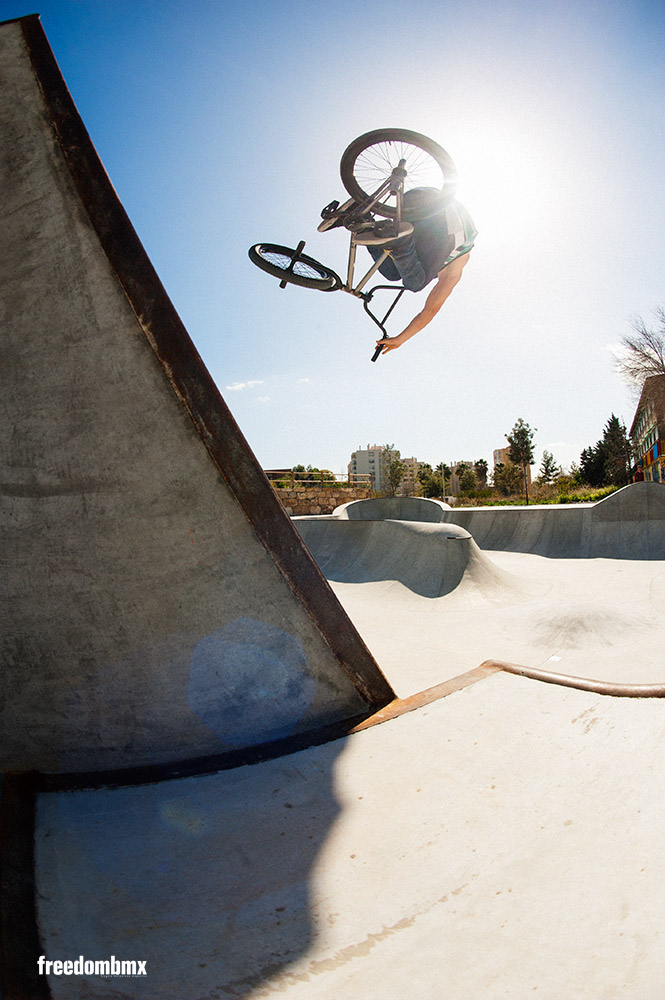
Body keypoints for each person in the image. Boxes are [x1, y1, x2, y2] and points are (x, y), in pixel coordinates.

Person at [354, 188, 477, 356]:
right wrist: (400, 339)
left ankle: (361, 221)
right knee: (415, 282)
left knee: (392, 273)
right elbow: (429, 311)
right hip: (443, 213)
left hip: (413, 201)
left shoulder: (428, 253)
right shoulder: (455, 268)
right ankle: (401, 243)